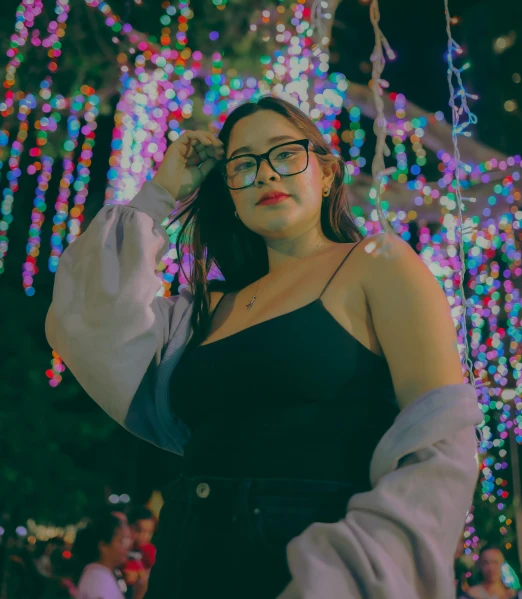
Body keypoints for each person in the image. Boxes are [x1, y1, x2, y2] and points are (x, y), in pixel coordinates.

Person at [46, 95, 481, 598]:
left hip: (310, 575)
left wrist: (347, 578)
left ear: (328, 173)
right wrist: (163, 189)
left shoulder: (377, 263)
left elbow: (439, 440)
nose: (266, 175)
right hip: (186, 571)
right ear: (229, 190)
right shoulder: (206, 308)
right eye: (244, 164)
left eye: (285, 153)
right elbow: (88, 321)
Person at [74, 513, 147, 599]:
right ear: (103, 545)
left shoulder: (103, 575)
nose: (128, 546)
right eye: (121, 541)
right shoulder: (98, 579)